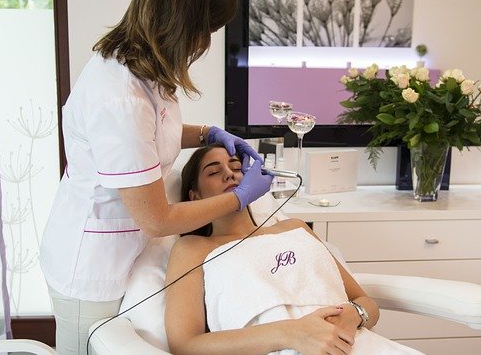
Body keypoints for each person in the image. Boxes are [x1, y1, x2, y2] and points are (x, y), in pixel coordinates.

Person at [39, 0, 273, 355]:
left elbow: (151, 133)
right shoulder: (118, 97)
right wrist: (236, 198)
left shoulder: (140, 68)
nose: (207, 42)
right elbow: (157, 217)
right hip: (93, 266)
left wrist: (206, 134)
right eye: (208, 30)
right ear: (186, 25)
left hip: (131, 253)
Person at [164, 145, 423, 355]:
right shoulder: (193, 248)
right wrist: (291, 333)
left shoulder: (295, 228)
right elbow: (185, 345)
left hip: (353, 344)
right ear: (194, 196)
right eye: (213, 172)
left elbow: (365, 303)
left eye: (236, 167)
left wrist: (352, 317)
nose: (230, 174)